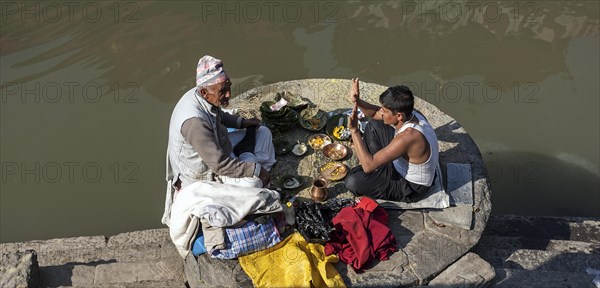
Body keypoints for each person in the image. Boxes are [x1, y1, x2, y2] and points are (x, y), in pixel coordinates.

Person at [165, 55, 276, 195]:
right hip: (207, 172)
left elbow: (218, 114)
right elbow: (219, 164)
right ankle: (248, 157)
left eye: (228, 87)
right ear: (204, 93)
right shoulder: (195, 123)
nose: (229, 94)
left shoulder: (202, 94)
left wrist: (242, 122)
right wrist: (256, 170)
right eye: (223, 91)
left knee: (263, 132)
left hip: (219, 146)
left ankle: (246, 157)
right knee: (253, 183)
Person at [345, 78, 439, 202]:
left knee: (353, 181)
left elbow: (367, 167)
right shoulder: (413, 114)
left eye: (384, 110)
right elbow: (374, 113)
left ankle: (376, 164)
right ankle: (377, 163)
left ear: (399, 115)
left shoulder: (408, 137)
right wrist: (357, 101)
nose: (381, 112)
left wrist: (354, 130)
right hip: (400, 161)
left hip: (410, 186)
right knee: (374, 124)